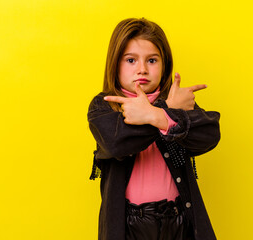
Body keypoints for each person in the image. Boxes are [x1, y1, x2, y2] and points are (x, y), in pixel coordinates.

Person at [88, 17, 221, 240]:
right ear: (115, 64)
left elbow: (209, 134)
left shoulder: (176, 100)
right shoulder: (105, 105)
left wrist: (156, 113)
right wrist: (166, 112)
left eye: (152, 60)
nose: (142, 69)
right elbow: (117, 143)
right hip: (129, 224)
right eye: (131, 60)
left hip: (178, 219)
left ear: (164, 65)